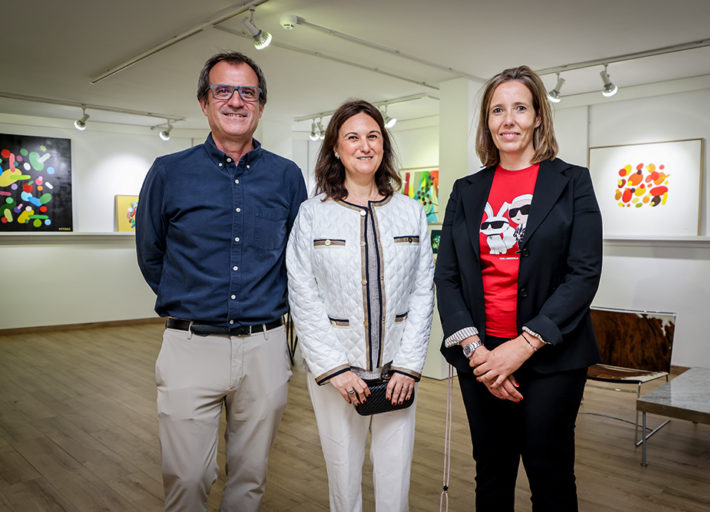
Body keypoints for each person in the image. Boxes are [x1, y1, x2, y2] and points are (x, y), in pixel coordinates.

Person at [135, 51, 307, 512]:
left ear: (261, 106)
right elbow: (151, 254)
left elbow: (299, 258)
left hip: (265, 347)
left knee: (250, 478)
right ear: (204, 102)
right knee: (188, 478)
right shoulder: (169, 171)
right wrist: (192, 298)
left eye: (247, 92)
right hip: (191, 345)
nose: (236, 101)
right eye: (223, 90)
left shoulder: (286, 176)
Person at [434, 66, 603, 511]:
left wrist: (523, 346)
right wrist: (477, 352)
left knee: (550, 477)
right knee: (491, 474)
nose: (508, 120)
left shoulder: (573, 182)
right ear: (487, 121)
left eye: (520, 108)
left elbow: (584, 273)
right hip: (481, 358)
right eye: (497, 110)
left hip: (552, 358)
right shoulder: (466, 190)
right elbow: (447, 275)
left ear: (538, 117)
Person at [286, 100, 434, 512]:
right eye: (352, 137)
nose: (364, 146)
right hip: (339, 376)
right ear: (335, 148)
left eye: (373, 136)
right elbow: (302, 293)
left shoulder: (410, 212)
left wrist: (408, 366)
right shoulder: (312, 215)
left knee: (395, 480)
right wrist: (334, 368)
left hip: (396, 374)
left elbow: (423, 291)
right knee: (344, 479)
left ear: (383, 144)